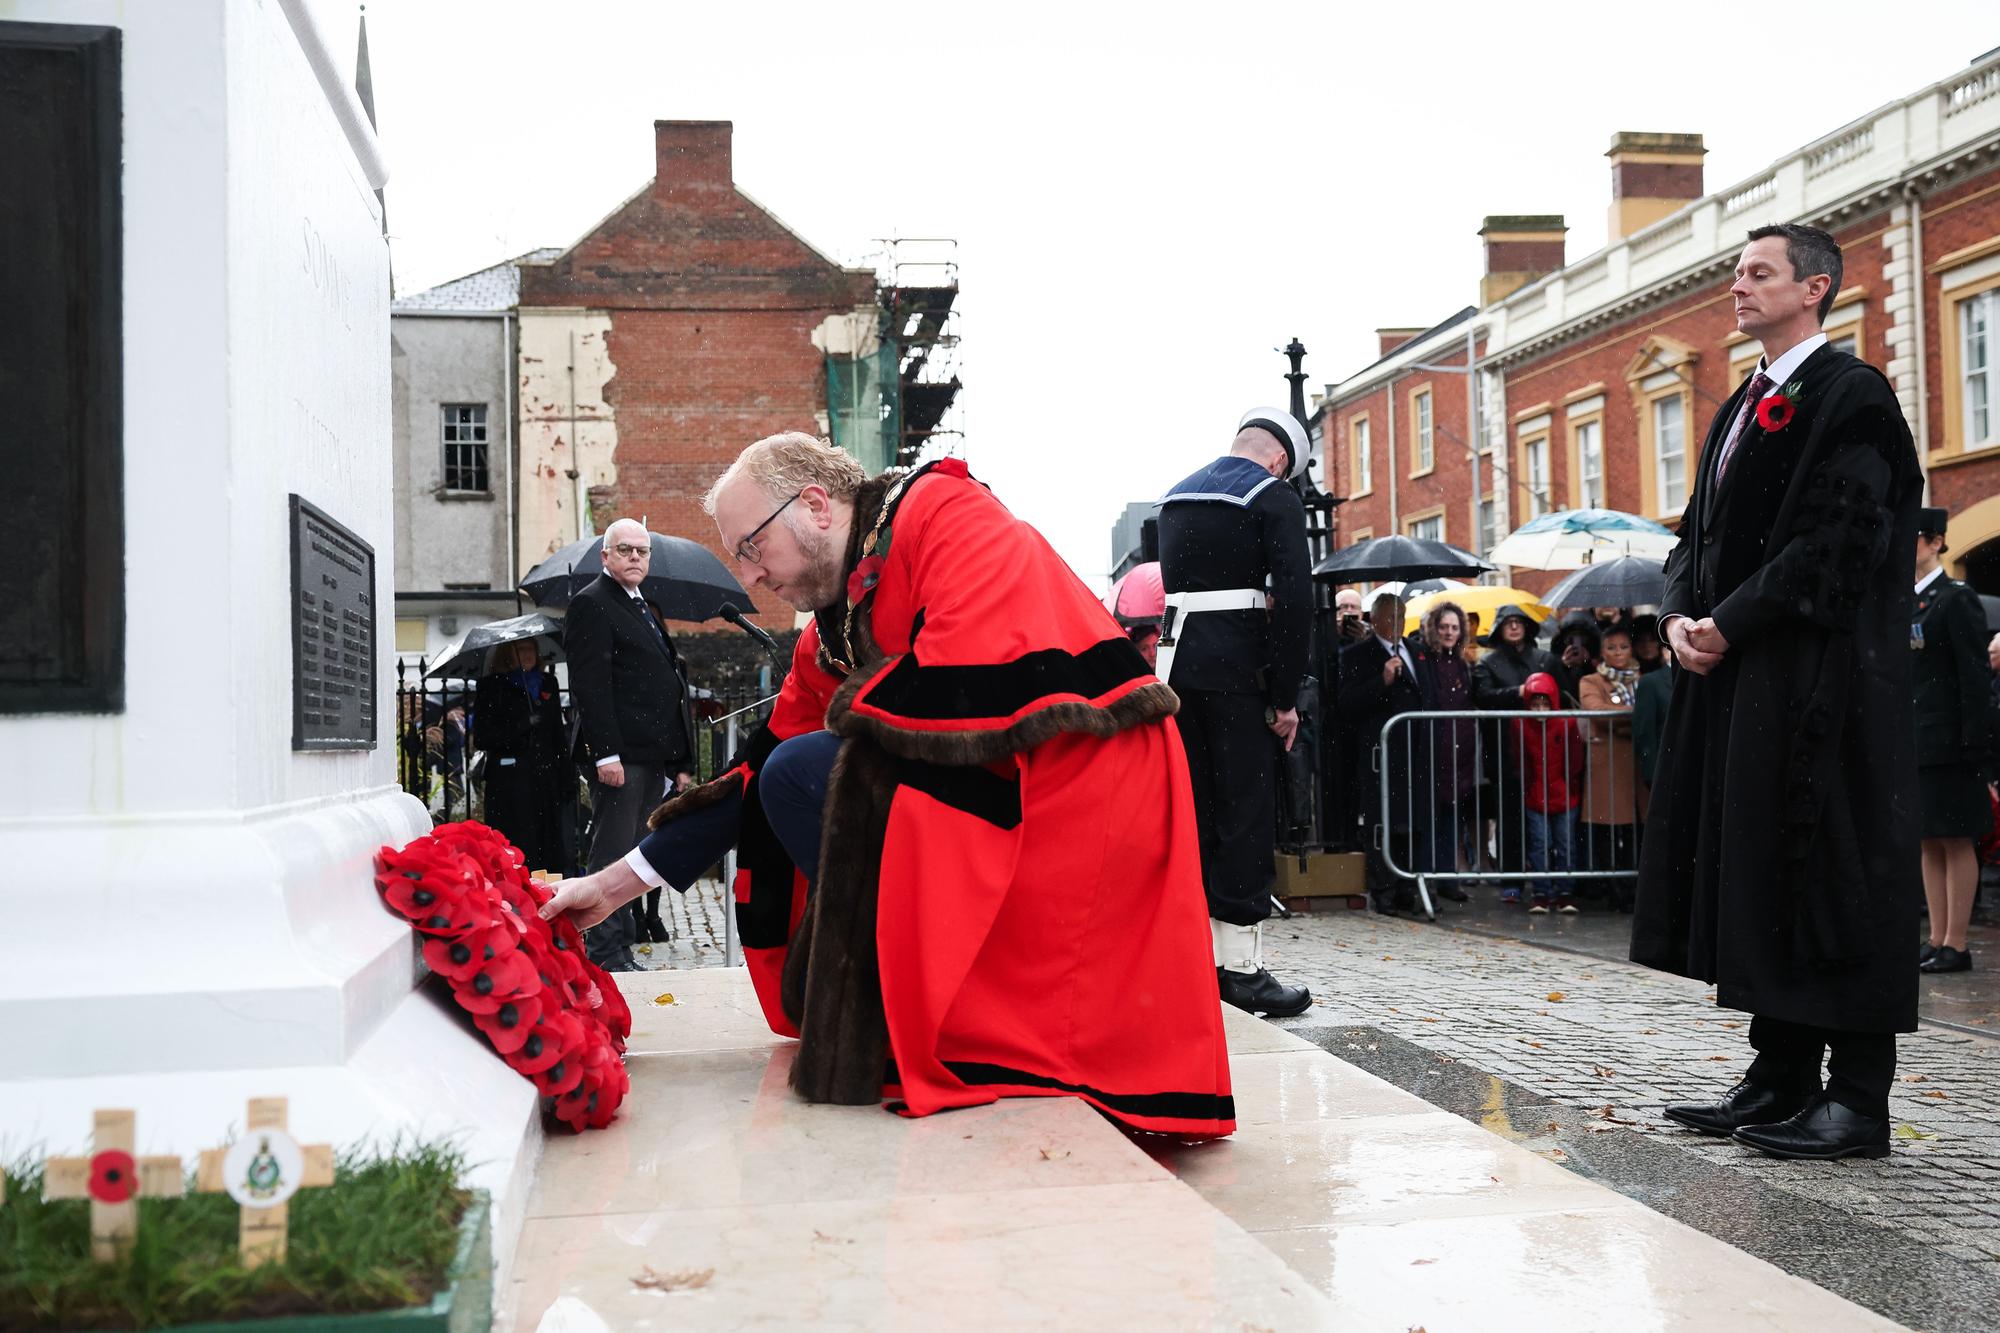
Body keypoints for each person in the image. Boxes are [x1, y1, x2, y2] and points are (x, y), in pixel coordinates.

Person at [538, 433, 1235, 1139]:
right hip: (1021, 783)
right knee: (792, 771)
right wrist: (613, 884)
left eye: (752, 547)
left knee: (815, 770)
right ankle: (907, 1001)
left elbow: (969, 687)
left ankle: (913, 1008)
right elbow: (756, 769)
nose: (749, 578)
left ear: (814, 505)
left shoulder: (948, 516)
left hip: (1089, 784)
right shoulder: (835, 627)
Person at [1635, 223, 1923, 1161]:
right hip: (1746, 683)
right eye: (1736, 273)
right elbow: (1693, 538)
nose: (1738, 286)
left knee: (1834, 873)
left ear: (1817, 289)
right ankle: (1780, 1073)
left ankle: (1858, 1099)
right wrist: (1681, 619)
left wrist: (1735, 620)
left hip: (1824, 688)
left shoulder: (1854, 396)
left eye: (1759, 273)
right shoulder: (1740, 406)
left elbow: (1842, 542)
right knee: (1762, 869)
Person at [1155, 408, 1315, 1017]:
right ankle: (1239, 968)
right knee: (1245, 813)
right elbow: (1296, 600)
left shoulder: (1176, 496)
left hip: (1175, 670)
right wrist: (1282, 696)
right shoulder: (1271, 497)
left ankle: (1186, 955)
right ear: (1280, 460)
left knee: (1191, 813)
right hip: (1238, 675)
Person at [563, 518, 695, 970]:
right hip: (620, 756)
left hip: (650, 754)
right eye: (625, 550)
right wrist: (606, 753)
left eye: (642, 551)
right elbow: (590, 685)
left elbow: (666, 683)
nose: (635, 557)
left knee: (635, 854)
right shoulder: (592, 604)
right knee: (612, 853)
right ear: (606, 557)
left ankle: (620, 947)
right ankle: (603, 954)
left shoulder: (644, 606)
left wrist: (679, 760)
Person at [1911, 506, 1990, 974]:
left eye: (1915, 538)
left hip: (1953, 743)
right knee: (1927, 840)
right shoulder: (1907, 602)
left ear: (1937, 541)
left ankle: (1956, 943)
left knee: (1956, 838)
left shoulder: (1955, 599)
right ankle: (1937, 936)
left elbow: (1974, 678)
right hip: (1919, 741)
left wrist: (1975, 745)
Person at [1338, 592, 1426, 913]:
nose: (1396, 624)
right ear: (1374, 620)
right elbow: (1347, 702)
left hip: (1415, 753)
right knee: (1383, 823)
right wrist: (1382, 680)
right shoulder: (1357, 654)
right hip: (1381, 755)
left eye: (1401, 618)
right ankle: (1384, 887)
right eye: (1389, 618)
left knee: (1413, 822)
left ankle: (1409, 886)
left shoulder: (1417, 651)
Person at [1473, 605, 1557, 900]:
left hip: (1543, 751)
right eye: (1507, 623)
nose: (1513, 627)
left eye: (1518, 622)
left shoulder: (1544, 659)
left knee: (1546, 815)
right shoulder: (1488, 663)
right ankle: (1512, 878)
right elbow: (1481, 697)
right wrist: (1517, 693)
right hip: (1504, 750)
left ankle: (1548, 878)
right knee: (1509, 816)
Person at [472, 639, 569, 874]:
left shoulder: (548, 683)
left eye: (531, 649)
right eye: (520, 649)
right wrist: (521, 725)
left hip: (544, 777)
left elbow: (557, 732)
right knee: (518, 842)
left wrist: (566, 777)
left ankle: (549, 892)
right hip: (511, 781)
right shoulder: (492, 686)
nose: (527, 654)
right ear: (507, 654)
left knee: (549, 843)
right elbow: (483, 737)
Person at [1411, 601, 1476, 900]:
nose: (1449, 632)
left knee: (1452, 816)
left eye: (1454, 627)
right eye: (1444, 627)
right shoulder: (1426, 659)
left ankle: (1449, 878)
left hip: (1459, 752)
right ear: (1434, 628)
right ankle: (1428, 877)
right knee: (1430, 817)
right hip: (1434, 749)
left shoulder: (1463, 663)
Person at [1578, 622, 1640, 911]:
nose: (1618, 653)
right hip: (1608, 766)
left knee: (1634, 832)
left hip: (1636, 764)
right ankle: (1614, 890)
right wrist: (1636, 715)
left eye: (1623, 647)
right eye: (1611, 647)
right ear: (1601, 652)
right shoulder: (1591, 681)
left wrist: (1624, 719)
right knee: (1607, 831)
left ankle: (1634, 890)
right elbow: (1597, 712)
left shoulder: (1644, 677)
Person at [1515, 671, 1584, 913]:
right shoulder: (1520, 725)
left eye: (1545, 704)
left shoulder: (1566, 723)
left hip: (1563, 795)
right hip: (1537, 795)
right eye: (1535, 705)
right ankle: (1541, 891)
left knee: (1565, 844)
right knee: (1539, 844)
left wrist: (1571, 787)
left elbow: (1575, 760)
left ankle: (1565, 891)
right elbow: (1519, 761)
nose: (1540, 710)